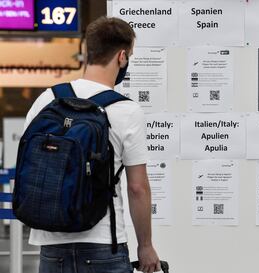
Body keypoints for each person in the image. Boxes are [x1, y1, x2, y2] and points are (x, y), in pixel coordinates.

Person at [23, 16, 161, 273]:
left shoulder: (47, 99)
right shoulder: (126, 110)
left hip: (51, 248)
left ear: (88, 52)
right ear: (122, 57)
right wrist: (146, 246)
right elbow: (137, 187)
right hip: (102, 245)